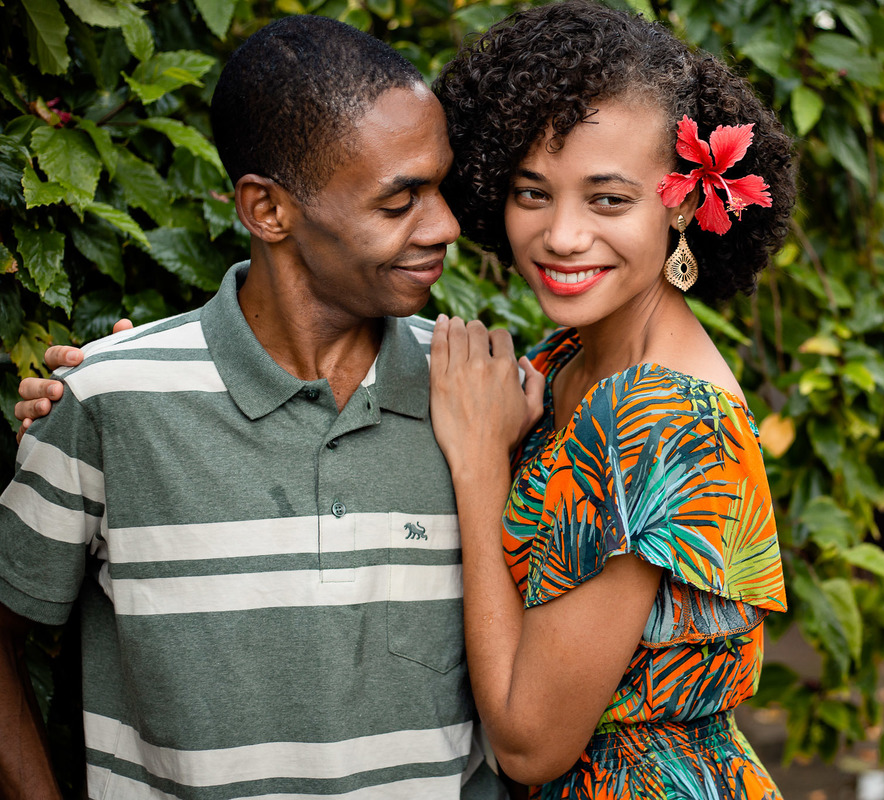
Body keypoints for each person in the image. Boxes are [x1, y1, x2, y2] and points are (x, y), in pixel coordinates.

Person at [0, 15, 507, 800]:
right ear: (268, 210)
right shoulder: (108, 402)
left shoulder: (481, 391)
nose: (443, 225)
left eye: (439, 185)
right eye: (399, 199)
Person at [423, 3, 797, 797]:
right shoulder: (570, 363)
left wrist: (483, 464)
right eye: (532, 193)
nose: (561, 236)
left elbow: (529, 745)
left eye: (607, 200)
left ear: (685, 202)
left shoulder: (663, 422)